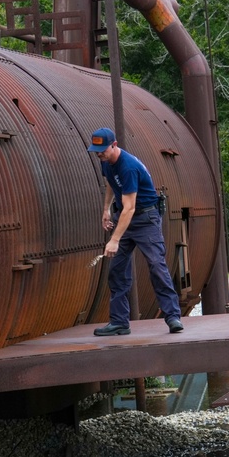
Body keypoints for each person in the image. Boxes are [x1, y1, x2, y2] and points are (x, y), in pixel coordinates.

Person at [88, 127, 183, 336]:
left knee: (156, 266)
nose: (99, 154)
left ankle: (173, 317)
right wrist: (105, 209)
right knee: (117, 271)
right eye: (96, 150)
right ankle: (120, 322)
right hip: (124, 216)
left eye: (102, 149)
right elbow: (111, 184)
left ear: (114, 145)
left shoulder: (128, 167)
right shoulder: (106, 162)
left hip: (144, 219)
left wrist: (114, 240)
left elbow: (130, 207)